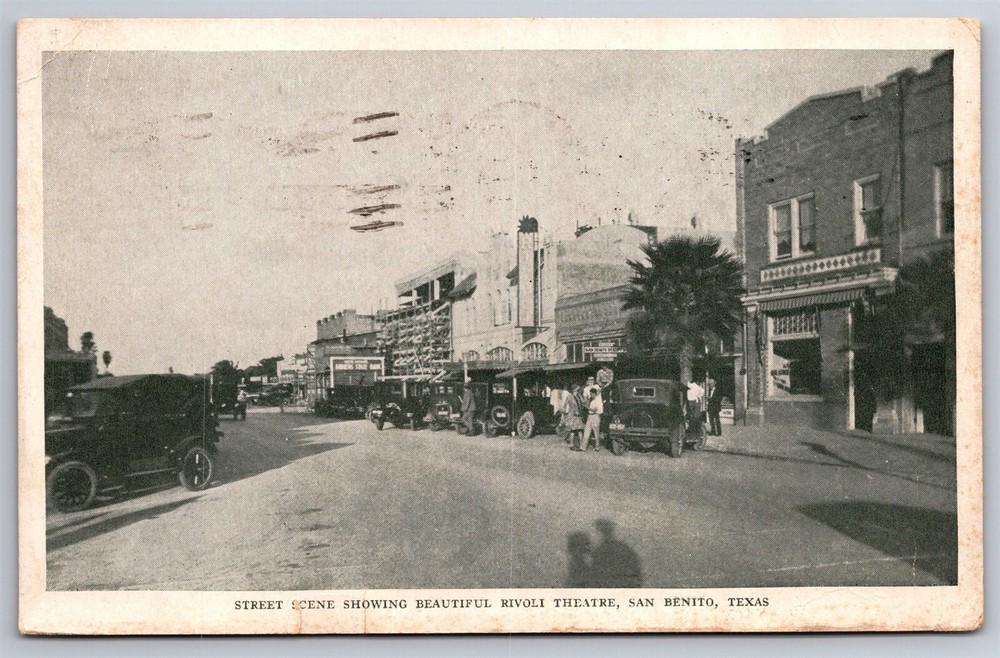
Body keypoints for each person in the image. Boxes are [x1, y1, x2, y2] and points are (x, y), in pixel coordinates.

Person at [581, 386, 604, 452]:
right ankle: (583, 447)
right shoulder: (592, 400)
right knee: (586, 432)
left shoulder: (598, 399)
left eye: (591, 394)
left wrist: (587, 407)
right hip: (590, 416)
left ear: (594, 393)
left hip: (595, 416)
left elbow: (594, 410)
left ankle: (597, 447)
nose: (590, 395)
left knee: (596, 432)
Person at [564, 384, 586, 451]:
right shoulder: (569, 396)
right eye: (576, 390)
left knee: (580, 430)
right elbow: (565, 405)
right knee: (572, 431)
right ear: (574, 390)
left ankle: (581, 445)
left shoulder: (579, 396)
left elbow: (584, 403)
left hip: (579, 415)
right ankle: (571, 444)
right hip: (572, 416)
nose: (577, 391)